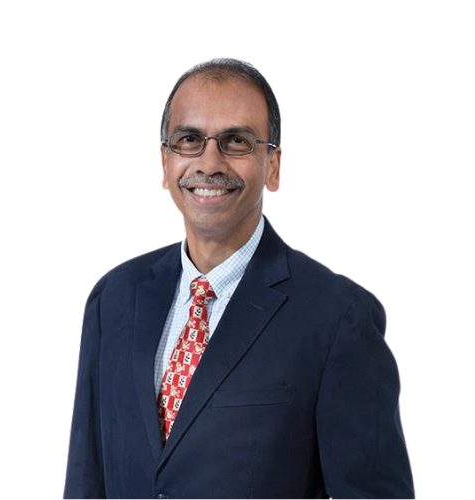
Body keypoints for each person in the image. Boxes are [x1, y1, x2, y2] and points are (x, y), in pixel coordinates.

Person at [63, 57, 414, 499]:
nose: (210, 162)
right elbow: (86, 477)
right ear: (164, 162)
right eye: (189, 139)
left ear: (273, 166)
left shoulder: (340, 317)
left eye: (236, 141)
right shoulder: (113, 296)